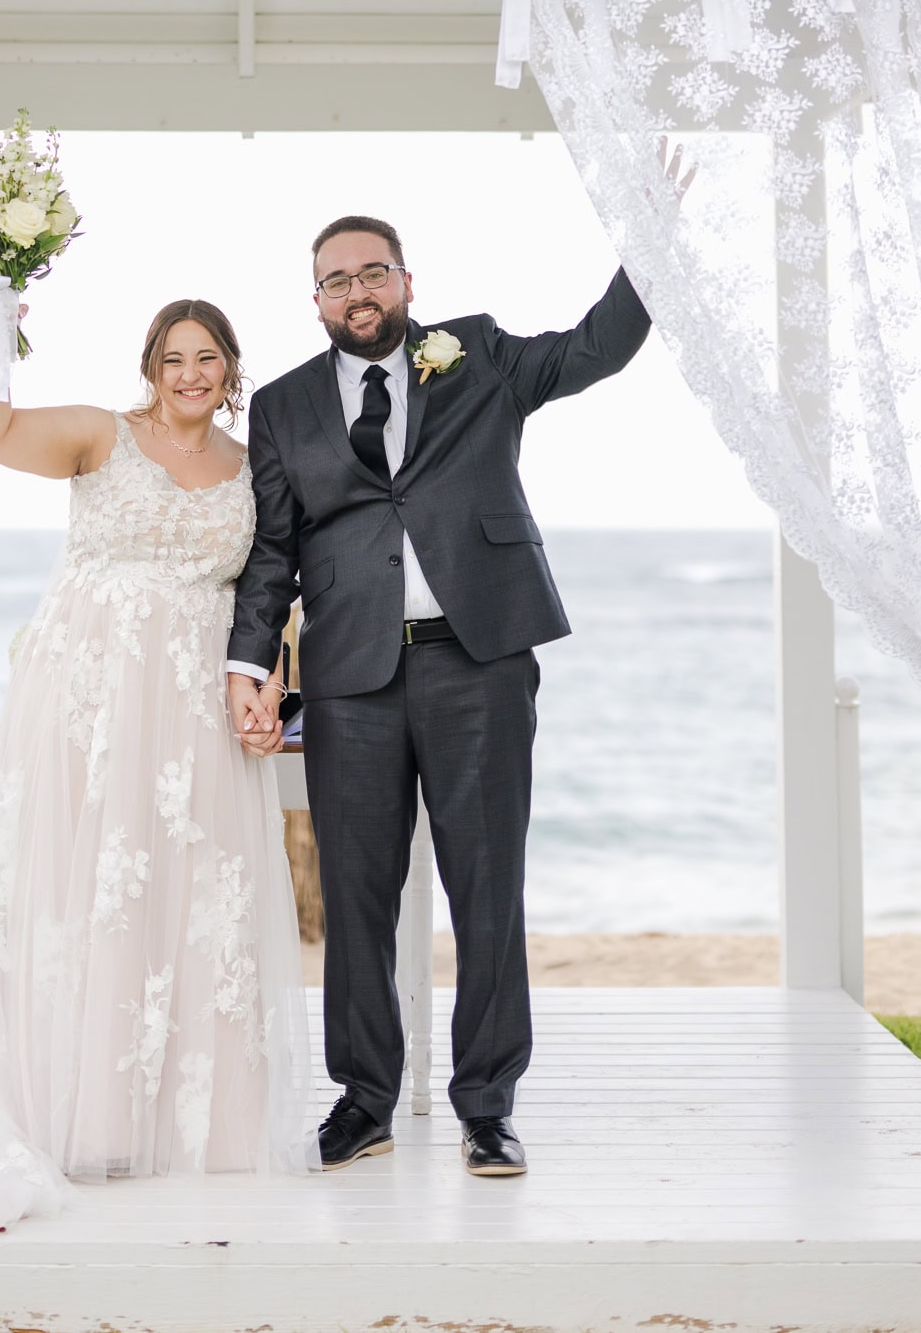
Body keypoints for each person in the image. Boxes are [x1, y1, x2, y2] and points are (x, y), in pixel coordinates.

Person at [0, 300, 317, 1234]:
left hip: (194, 694)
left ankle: (199, 1124)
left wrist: (264, 687)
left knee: (195, 888)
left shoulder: (252, 469)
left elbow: (266, 588)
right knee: (92, 885)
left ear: (232, 368)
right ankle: (83, 1116)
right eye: (172, 359)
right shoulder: (98, 433)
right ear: (150, 367)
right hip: (91, 687)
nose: (189, 374)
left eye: (206, 358)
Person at [227, 218, 650, 1179]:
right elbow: (271, 554)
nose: (356, 292)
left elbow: (597, 346)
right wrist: (251, 664)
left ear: (407, 282)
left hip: (481, 660)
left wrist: (650, 248)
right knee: (358, 897)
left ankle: (489, 1106)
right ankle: (364, 1100)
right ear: (318, 300)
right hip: (349, 679)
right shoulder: (285, 407)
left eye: (372, 272)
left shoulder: (482, 355)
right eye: (336, 281)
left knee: (488, 887)